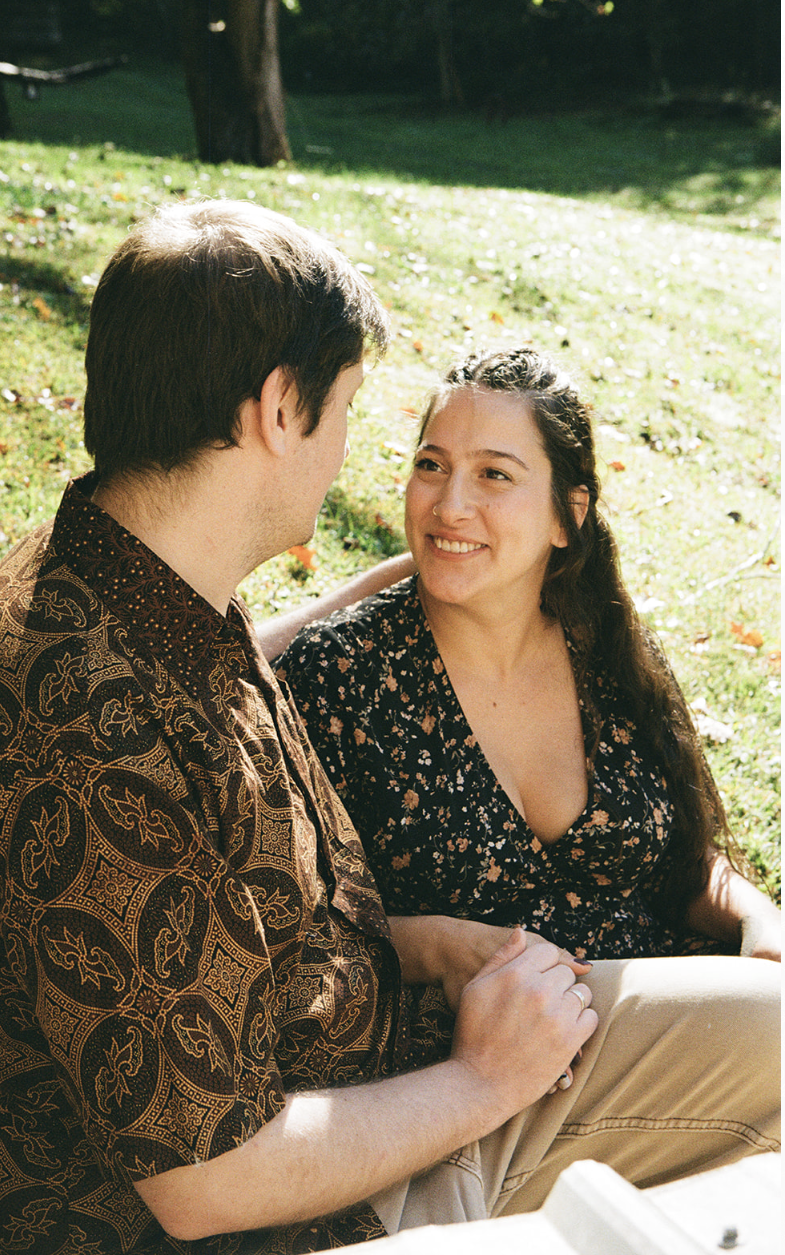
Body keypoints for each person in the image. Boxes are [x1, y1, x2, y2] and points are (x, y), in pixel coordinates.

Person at [0, 205, 777, 1255]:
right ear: (280, 408)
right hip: (315, 1207)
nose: (345, 453)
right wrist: (482, 1079)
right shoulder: (88, 735)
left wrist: (423, 950)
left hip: (387, 1061)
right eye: (343, 410)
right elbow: (208, 1183)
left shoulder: (138, 577)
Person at [274, 347, 781, 963]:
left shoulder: (602, 645)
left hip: (673, 990)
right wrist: (445, 947)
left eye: (494, 474)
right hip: (493, 1018)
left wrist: (761, 922)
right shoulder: (337, 678)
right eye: (431, 465)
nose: (449, 504)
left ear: (567, 517)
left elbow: (681, 867)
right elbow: (294, 927)